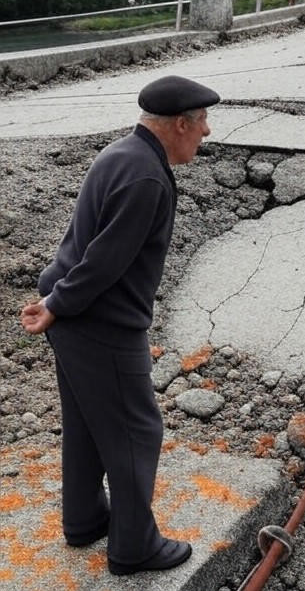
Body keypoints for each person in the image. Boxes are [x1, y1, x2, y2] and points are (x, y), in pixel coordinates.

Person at [20, 75, 220, 576]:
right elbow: (104, 261)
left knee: (88, 424)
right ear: (179, 124)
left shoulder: (121, 154)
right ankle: (134, 547)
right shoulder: (146, 177)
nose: (208, 132)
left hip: (74, 315)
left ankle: (85, 521)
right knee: (137, 431)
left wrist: (55, 300)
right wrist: (58, 305)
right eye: (202, 123)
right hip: (99, 322)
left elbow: (82, 241)